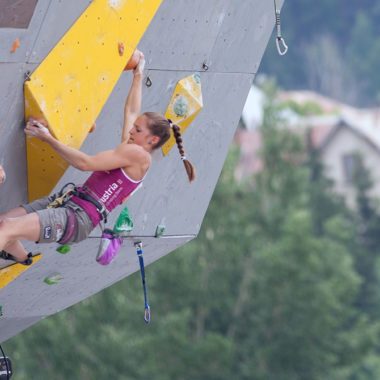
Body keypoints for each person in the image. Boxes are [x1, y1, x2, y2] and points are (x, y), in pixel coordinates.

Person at [0, 53, 195, 265]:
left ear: (152, 139)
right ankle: (21, 257)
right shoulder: (132, 151)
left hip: (75, 218)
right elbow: (131, 111)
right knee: (4, 223)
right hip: (69, 204)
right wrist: (138, 75)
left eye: (138, 130)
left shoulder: (138, 155)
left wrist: (47, 138)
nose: (131, 130)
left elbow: (85, 164)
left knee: (7, 228)